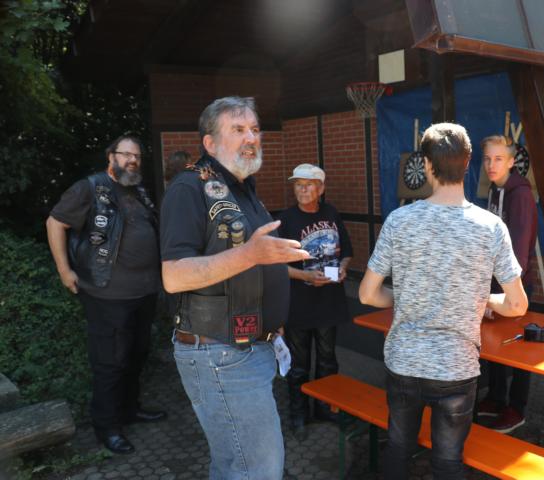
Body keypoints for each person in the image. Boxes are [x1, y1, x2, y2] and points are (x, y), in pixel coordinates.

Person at [359, 123, 528, 479]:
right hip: (457, 368)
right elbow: (517, 306)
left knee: (398, 449)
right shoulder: (491, 227)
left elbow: (367, 294)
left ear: (426, 164)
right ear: (468, 163)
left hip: (404, 363)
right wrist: (484, 299)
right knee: (448, 462)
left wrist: (405, 296)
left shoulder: (399, 221)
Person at [160, 96, 309, 480]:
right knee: (257, 470)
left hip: (249, 349)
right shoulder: (188, 188)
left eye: (255, 129)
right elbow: (173, 276)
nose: (251, 138)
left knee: (235, 466)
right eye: (238, 129)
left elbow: (251, 260)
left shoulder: (241, 187)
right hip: (221, 354)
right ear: (209, 143)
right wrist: (250, 254)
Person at [46, 134, 165, 455]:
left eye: (137, 156)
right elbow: (55, 223)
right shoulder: (90, 187)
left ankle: (129, 410)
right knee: (110, 361)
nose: (132, 161)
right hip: (106, 294)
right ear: (110, 156)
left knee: (137, 354)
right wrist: (64, 270)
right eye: (126, 154)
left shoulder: (139, 191)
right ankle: (107, 426)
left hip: (144, 292)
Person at [278, 163, 353, 437]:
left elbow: (346, 251)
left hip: (329, 300)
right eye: (298, 185)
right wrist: (304, 276)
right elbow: (277, 265)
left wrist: (342, 268)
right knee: (298, 364)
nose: (302, 190)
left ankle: (325, 407)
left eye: (308, 184)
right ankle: (299, 414)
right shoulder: (286, 220)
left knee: (327, 360)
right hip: (299, 302)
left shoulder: (331, 213)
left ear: (321, 188)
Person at [477, 135, 539, 434]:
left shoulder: (520, 195)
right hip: (494, 282)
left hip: (515, 285)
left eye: (499, 159)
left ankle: (516, 408)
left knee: (519, 348)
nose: (492, 164)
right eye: (488, 158)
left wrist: (509, 290)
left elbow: (520, 250)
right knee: (495, 343)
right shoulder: (495, 189)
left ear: (512, 162)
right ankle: (497, 397)